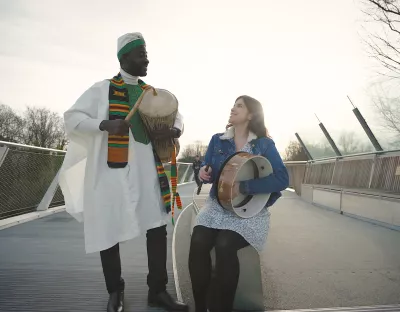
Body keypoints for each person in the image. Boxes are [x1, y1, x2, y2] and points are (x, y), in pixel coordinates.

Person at [58, 32, 188, 312]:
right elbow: (73, 118)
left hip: (147, 170)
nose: (147, 59)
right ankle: (115, 291)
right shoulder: (101, 89)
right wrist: (105, 125)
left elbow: (177, 114)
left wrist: (175, 129)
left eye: (147, 53)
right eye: (141, 53)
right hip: (110, 173)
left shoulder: (151, 92)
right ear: (124, 57)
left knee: (156, 228)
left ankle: (158, 291)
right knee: (109, 228)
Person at [188, 95, 289, 312]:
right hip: (218, 207)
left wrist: (244, 187)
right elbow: (207, 169)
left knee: (225, 244)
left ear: (251, 115)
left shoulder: (264, 144)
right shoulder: (218, 140)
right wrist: (204, 173)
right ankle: (199, 308)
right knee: (198, 241)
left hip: (249, 211)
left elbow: (282, 179)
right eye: (233, 105)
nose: (233, 108)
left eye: (239, 106)